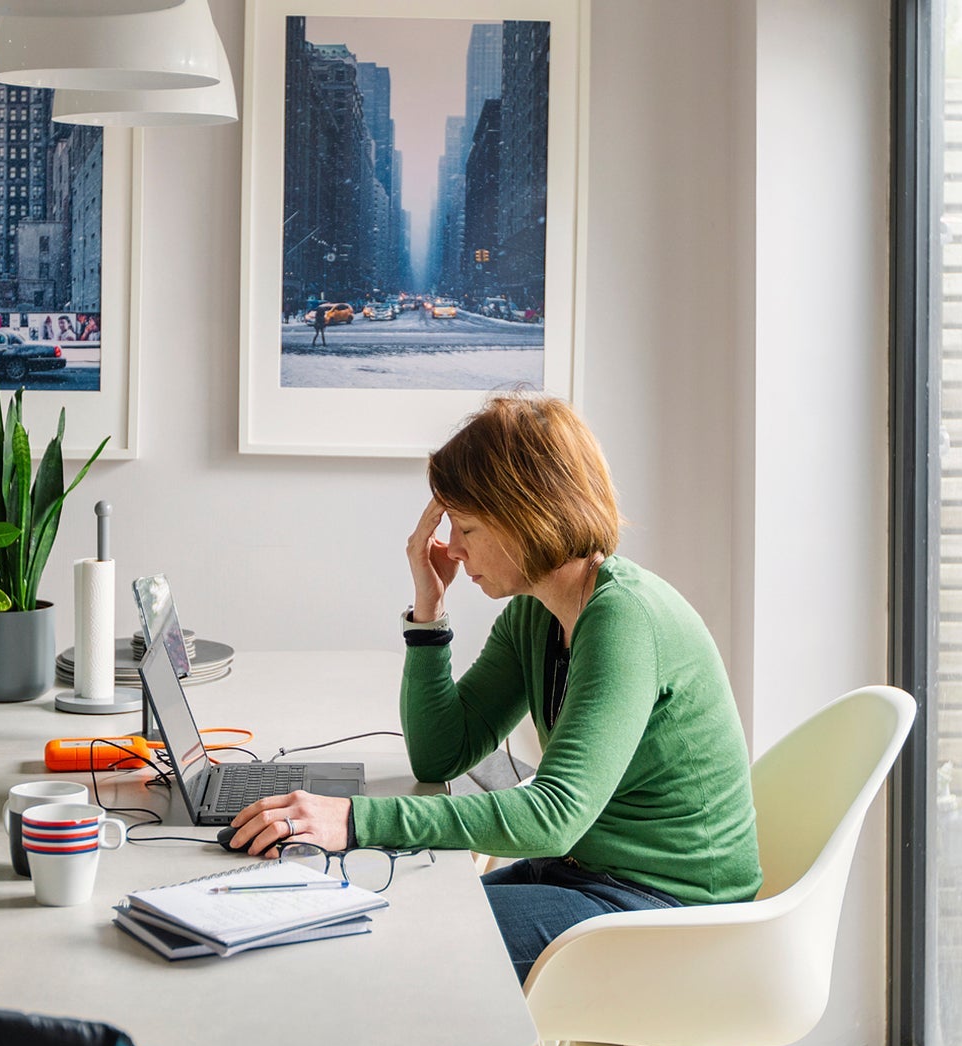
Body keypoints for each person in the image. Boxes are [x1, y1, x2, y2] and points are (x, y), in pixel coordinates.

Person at [227, 393, 763, 982]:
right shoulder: (538, 613)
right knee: (371, 911)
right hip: (582, 875)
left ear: (528, 516)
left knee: (390, 940)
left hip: (670, 915)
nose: (452, 547)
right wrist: (428, 613)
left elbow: (554, 816)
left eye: (468, 527)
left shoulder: (625, 619)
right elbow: (442, 754)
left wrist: (353, 820)